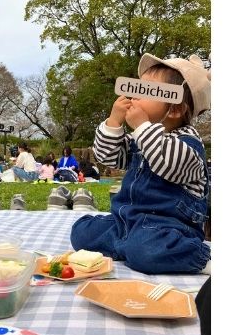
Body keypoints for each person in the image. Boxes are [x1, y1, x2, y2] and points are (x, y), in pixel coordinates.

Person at [70, 53, 211, 274]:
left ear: (174, 109)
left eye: (147, 90)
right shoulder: (141, 139)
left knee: (147, 248)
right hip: (126, 222)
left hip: (168, 229)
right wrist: (113, 123)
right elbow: (107, 157)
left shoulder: (189, 144)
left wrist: (142, 126)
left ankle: (199, 257)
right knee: (81, 232)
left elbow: (167, 164)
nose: (134, 95)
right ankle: (126, 246)